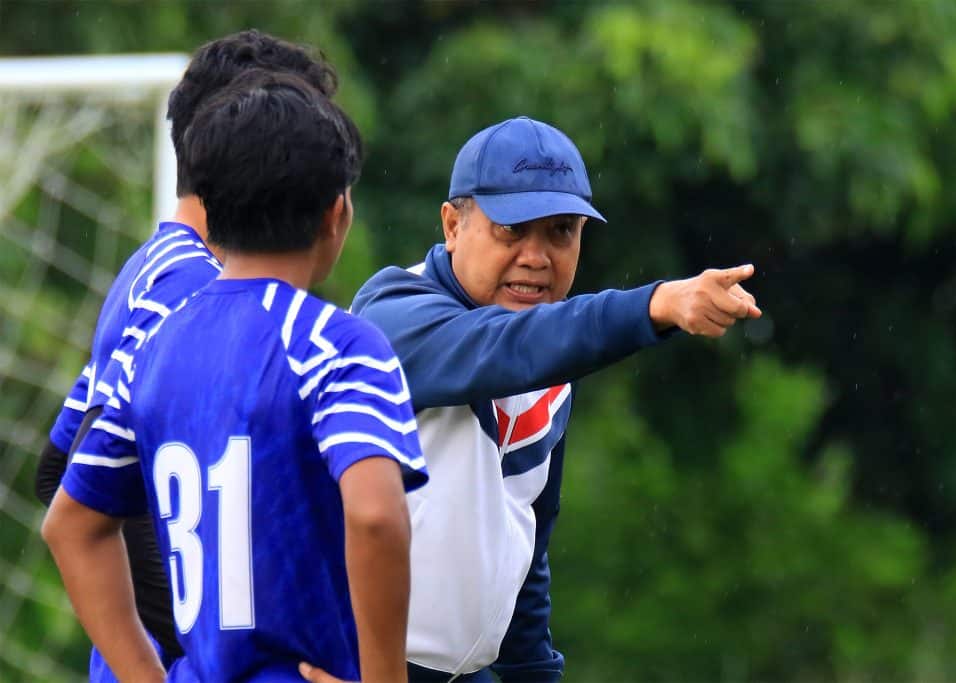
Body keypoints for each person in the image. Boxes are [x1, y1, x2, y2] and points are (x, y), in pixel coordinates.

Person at [304, 116, 760, 682]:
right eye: (512, 230)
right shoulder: (393, 314)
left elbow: (523, 541)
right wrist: (656, 304)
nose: (536, 256)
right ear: (452, 225)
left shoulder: (550, 350)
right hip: (355, 667)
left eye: (560, 231)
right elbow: (504, 347)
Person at [42, 71, 427, 681]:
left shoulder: (153, 349)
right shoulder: (338, 345)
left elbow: (70, 524)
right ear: (336, 212)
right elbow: (376, 516)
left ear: (210, 209)